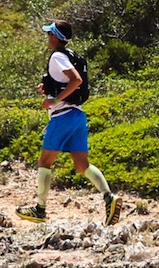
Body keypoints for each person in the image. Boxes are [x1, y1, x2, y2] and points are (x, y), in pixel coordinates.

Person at [18, 20, 120, 224]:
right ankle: (109, 198)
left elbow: (76, 80)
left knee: (44, 162)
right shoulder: (71, 55)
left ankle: (40, 210)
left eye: (49, 34)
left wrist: (54, 101)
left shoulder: (57, 56)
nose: (47, 38)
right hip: (77, 116)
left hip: (62, 117)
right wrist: (49, 89)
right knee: (82, 165)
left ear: (55, 37)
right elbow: (67, 82)